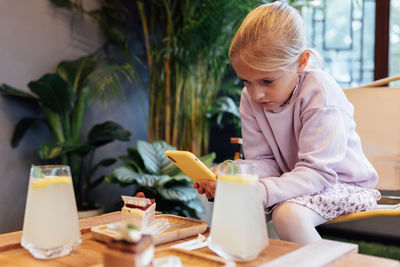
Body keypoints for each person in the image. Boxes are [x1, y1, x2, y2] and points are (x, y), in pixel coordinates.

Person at [193, 1, 381, 244]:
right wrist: (233, 175)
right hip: (297, 181)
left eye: (267, 81)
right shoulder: (250, 98)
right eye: (246, 81)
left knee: (288, 215)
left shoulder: (320, 93)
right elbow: (265, 164)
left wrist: (258, 191)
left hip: (345, 184)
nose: (256, 93)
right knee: (240, 203)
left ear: (301, 62)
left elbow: (318, 174)